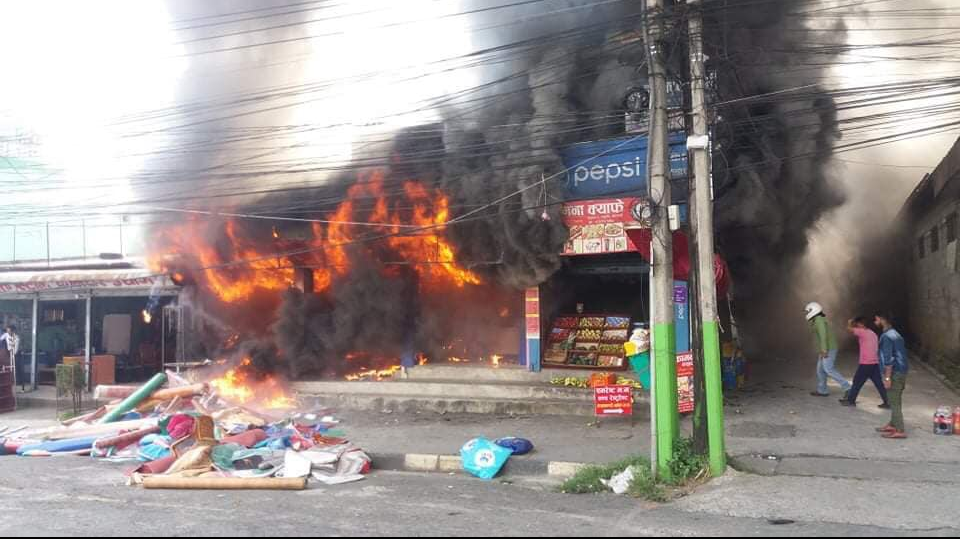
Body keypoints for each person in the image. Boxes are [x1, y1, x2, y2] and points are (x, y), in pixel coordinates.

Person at [840, 317, 890, 408]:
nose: (857, 326)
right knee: (879, 384)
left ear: (862, 324)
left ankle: (851, 401)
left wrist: (849, 322)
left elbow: (849, 329)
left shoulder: (862, 332)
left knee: (857, 381)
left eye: (858, 324)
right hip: (874, 363)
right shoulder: (873, 334)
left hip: (865, 364)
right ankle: (888, 402)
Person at [805, 302, 852, 398]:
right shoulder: (817, 320)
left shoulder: (819, 320)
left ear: (813, 310)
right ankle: (822, 390)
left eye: (808, 311)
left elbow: (823, 336)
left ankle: (848, 388)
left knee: (828, 369)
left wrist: (824, 350)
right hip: (825, 348)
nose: (807, 313)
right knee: (820, 370)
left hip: (828, 348)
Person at [875, 313, 909, 439]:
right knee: (895, 399)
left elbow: (888, 359)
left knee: (894, 402)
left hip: (894, 373)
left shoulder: (887, 337)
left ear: (883, 320)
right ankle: (893, 424)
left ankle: (899, 429)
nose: (875, 321)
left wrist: (887, 377)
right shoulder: (895, 333)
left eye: (876, 319)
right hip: (901, 371)